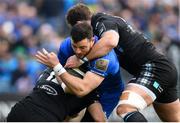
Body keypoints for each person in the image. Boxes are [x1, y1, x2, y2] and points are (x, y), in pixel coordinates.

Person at [64, 3, 180, 122]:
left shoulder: (101, 21)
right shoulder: (105, 23)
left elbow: (110, 41)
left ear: (79, 24)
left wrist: (81, 60)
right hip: (164, 69)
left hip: (153, 69)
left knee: (125, 108)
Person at [35, 22, 124, 121]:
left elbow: (82, 90)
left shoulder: (105, 60)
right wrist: (66, 87)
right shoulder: (66, 45)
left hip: (105, 91)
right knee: (65, 115)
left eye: (82, 47)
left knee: (97, 120)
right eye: (75, 46)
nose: (77, 51)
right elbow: (58, 71)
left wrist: (68, 86)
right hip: (81, 84)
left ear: (92, 41)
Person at [6, 66, 101, 122]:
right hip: (45, 118)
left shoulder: (50, 69)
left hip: (19, 109)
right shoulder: (87, 89)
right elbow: (99, 119)